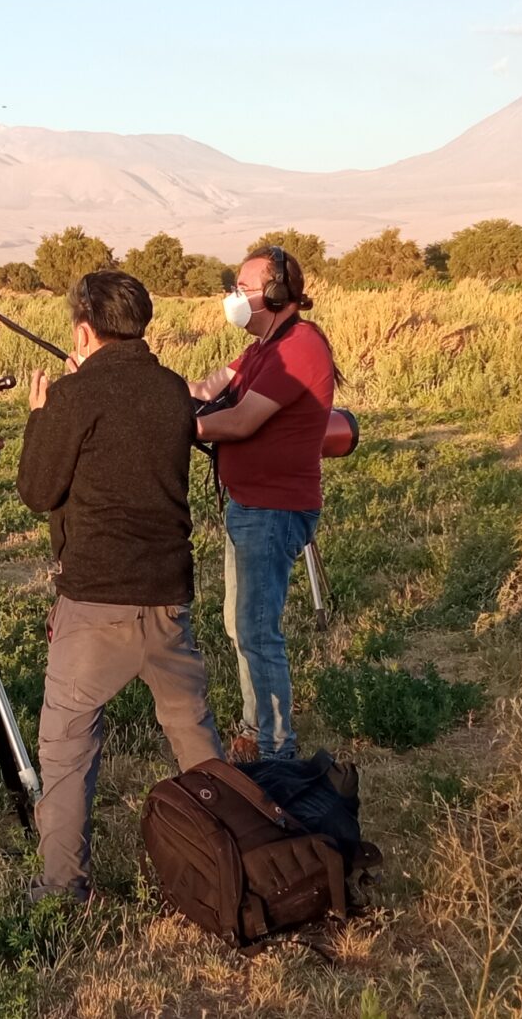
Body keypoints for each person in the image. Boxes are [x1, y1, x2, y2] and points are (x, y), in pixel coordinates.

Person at [18, 269, 221, 900]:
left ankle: (62, 889)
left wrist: (41, 413)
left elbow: (37, 490)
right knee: (193, 735)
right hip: (168, 596)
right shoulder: (172, 393)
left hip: (97, 600)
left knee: (67, 745)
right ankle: (233, 859)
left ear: (83, 328)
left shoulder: (75, 396)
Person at [191, 245, 337, 762]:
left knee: (257, 629)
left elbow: (241, 420)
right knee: (240, 624)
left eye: (243, 288)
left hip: (274, 510)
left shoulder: (299, 347)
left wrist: (178, 425)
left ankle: (276, 751)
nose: (235, 297)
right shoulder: (260, 349)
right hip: (249, 505)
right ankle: (257, 730)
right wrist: (146, 390)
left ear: (276, 294)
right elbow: (208, 388)